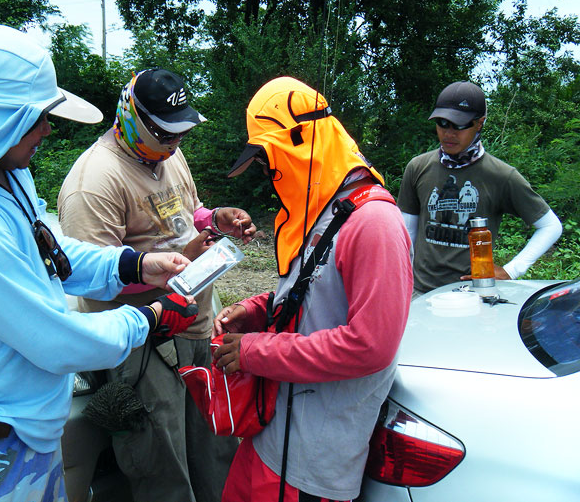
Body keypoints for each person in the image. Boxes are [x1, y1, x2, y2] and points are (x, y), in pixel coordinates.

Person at [0, 24, 199, 502]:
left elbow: (51, 252)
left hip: (21, 431)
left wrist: (133, 266)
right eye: (36, 116)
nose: (47, 129)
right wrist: (151, 319)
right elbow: (57, 341)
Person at [57, 68, 256, 502]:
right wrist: (169, 273)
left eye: (181, 133)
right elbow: (93, 282)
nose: (175, 143)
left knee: (215, 446)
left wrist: (215, 218)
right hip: (144, 345)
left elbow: (190, 211)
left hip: (196, 325)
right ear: (132, 118)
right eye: (166, 134)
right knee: (161, 463)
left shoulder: (168, 154)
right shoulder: (94, 182)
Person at [211, 76, 412, 502]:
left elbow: (370, 346)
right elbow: (314, 295)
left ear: (299, 145)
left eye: (269, 161)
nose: (268, 175)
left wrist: (254, 350)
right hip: (269, 437)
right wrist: (257, 310)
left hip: (310, 465)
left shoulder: (374, 224)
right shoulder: (321, 211)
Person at [398, 80, 563, 295]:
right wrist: (403, 281)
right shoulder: (418, 167)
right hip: (420, 294)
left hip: (473, 295)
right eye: (442, 123)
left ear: (479, 123)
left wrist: (511, 271)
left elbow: (550, 226)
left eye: (459, 125)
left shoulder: (501, 176)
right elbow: (407, 233)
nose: (449, 133)